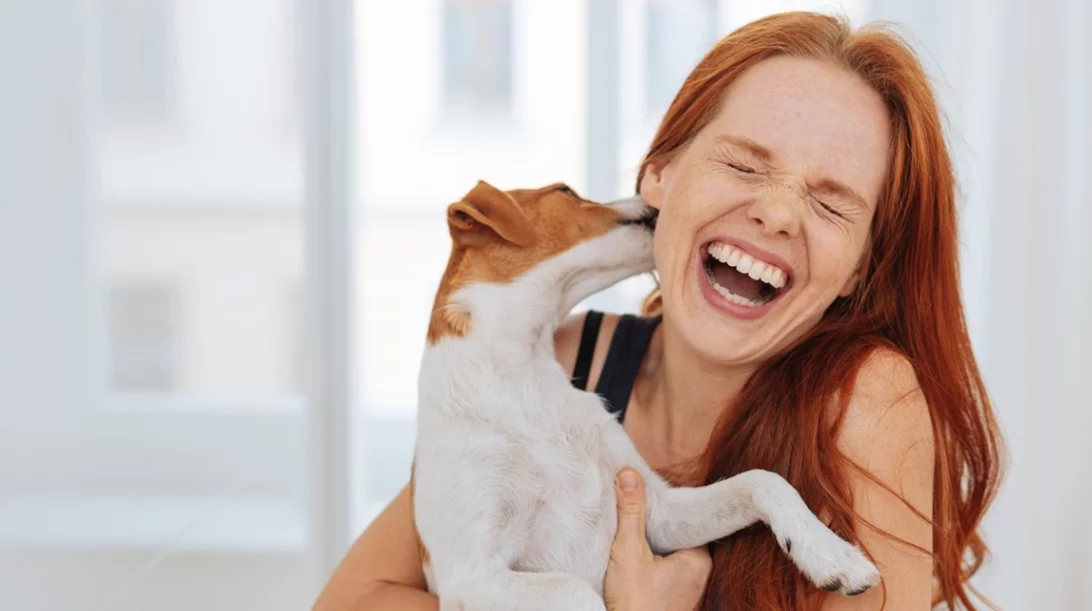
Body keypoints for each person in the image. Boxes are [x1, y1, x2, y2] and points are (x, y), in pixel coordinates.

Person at [313, 10, 1003, 611]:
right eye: (744, 164)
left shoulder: (868, 400)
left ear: (861, 266)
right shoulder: (560, 359)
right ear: (658, 175)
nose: (777, 211)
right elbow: (351, 599)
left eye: (829, 203)